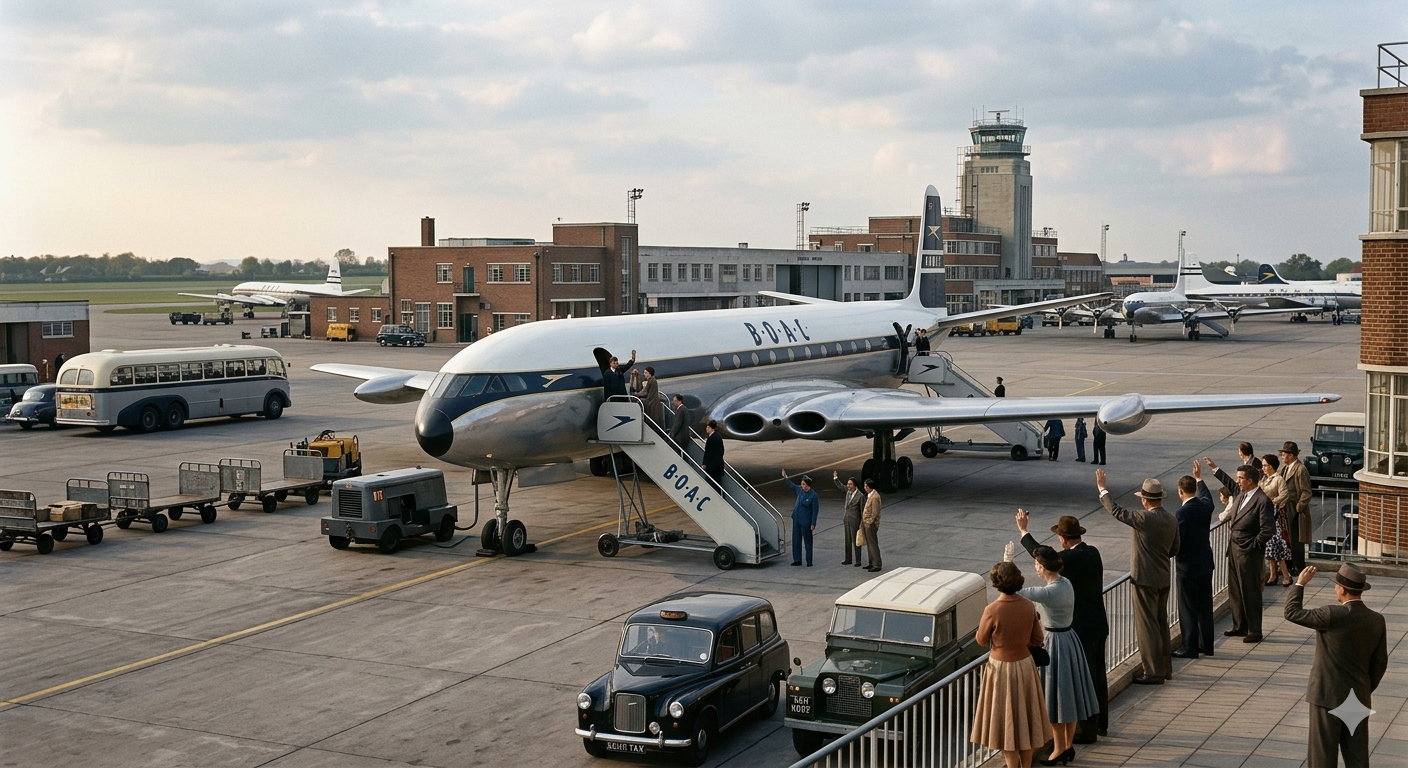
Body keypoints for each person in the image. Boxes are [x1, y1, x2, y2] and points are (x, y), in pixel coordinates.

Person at [1017, 511, 1109, 743]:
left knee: (1083, 679)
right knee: (1097, 675)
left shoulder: (1068, 559)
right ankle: (1100, 724)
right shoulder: (1093, 552)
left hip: (1080, 628)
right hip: (1098, 623)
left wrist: (1023, 531)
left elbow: (1042, 556)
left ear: (1063, 539)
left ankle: (1086, 731)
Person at [1285, 564, 1388, 768]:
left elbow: (1291, 612)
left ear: (1341, 589)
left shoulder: (1331, 615)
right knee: (1357, 758)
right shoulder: (1377, 620)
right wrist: (1364, 688)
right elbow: (1379, 664)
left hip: (1326, 696)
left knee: (1322, 759)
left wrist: (1299, 584)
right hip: (1357, 698)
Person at [1008, 544, 1099, 767]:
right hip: (1070, 639)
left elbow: (1014, 591)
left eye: (1037, 565)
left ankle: (1058, 749)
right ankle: (1067, 746)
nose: (1035, 568)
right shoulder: (1065, 582)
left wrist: (1008, 561)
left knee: (1056, 698)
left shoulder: (1049, 592)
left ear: (1044, 567)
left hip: (1055, 643)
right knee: (1069, 695)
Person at [1096, 469, 1179, 684]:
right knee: (1161, 624)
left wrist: (1103, 489)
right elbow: (1174, 549)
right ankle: (1165, 668)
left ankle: (1152, 672)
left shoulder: (1143, 518)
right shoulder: (1171, 519)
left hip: (1144, 579)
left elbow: (1116, 511)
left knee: (1147, 626)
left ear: (1145, 500)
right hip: (1163, 577)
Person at [971, 561, 1052, 768]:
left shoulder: (992, 609)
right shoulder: (1028, 605)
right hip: (1025, 665)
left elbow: (981, 640)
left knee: (1006, 724)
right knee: (1026, 723)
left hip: (1000, 668)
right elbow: (1038, 639)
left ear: (996, 583)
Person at [1205, 455, 1275, 643]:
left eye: (1240, 478)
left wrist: (1252, 546)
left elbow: (1268, 530)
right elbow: (1228, 482)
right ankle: (1239, 625)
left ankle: (1254, 630)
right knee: (1235, 590)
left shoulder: (1262, 500)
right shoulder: (1241, 494)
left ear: (1250, 481)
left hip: (1248, 553)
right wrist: (1214, 468)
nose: (1237, 481)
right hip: (1234, 549)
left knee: (1250, 591)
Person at [1174, 462, 1216, 658]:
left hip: (1187, 567)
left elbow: (1178, 541)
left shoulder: (1182, 513)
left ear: (1181, 492)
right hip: (1205, 563)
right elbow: (1207, 497)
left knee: (1188, 608)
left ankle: (1189, 646)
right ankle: (1206, 645)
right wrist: (1199, 477)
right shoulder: (1205, 507)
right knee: (1205, 606)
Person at [1260, 454, 1295, 587]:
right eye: (1262, 465)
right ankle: (1273, 576)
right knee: (1269, 548)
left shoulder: (1278, 479)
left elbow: (1285, 494)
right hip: (1265, 517)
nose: (1263, 468)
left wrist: (1272, 502)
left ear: (1272, 466)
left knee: (1277, 547)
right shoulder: (1264, 479)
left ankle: (1286, 576)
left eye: (1265, 465)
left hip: (1276, 518)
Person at [1279, 441, 1313, 571]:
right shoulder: (1285, 469)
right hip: (1286, 507)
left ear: (1292, 455)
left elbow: (1306, 492)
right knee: (1287, 538)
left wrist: (1299, 507)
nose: (1282, 457)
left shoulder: (1300, 469)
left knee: (1296, 540)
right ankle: (1289, 565)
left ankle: (1298, 566)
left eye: (1284, 454)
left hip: (1295, 509)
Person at [782, 471, 819, 567]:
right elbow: (792, 486)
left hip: (806, 521)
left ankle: (809, 561)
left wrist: (813, 523)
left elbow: (815, 511)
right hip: (797, 519)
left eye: (803, 484)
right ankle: (797, 559)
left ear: (807, 485)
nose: (801, 486)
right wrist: (786, 477)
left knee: (808, 541)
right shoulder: (799, 490)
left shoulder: (813, 496)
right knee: (796, 540)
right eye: (801, 484)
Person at [833, 471, 864, 567]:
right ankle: (848, 558)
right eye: (848, 484)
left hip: (855, 520)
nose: (848, 486)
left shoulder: (860, 496)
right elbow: (841, 486)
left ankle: (858, 560)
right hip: (847, 519)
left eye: (850, 484)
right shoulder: (848, 492)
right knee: (847, 539)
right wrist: (836, 478)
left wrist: (862, 523)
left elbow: (862, 510)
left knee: (856, 540)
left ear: (855, 485)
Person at [861, 478, 882, 572]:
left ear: (869, 487)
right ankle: (871, 562)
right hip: (867, 523)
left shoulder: (875, 497)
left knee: (873, 544)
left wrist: (869, 522)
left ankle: (877, 564)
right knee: (869, 544)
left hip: (871, 525)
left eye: (866, 486)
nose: (865, 488)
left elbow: (874, 512)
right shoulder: (870, 495)